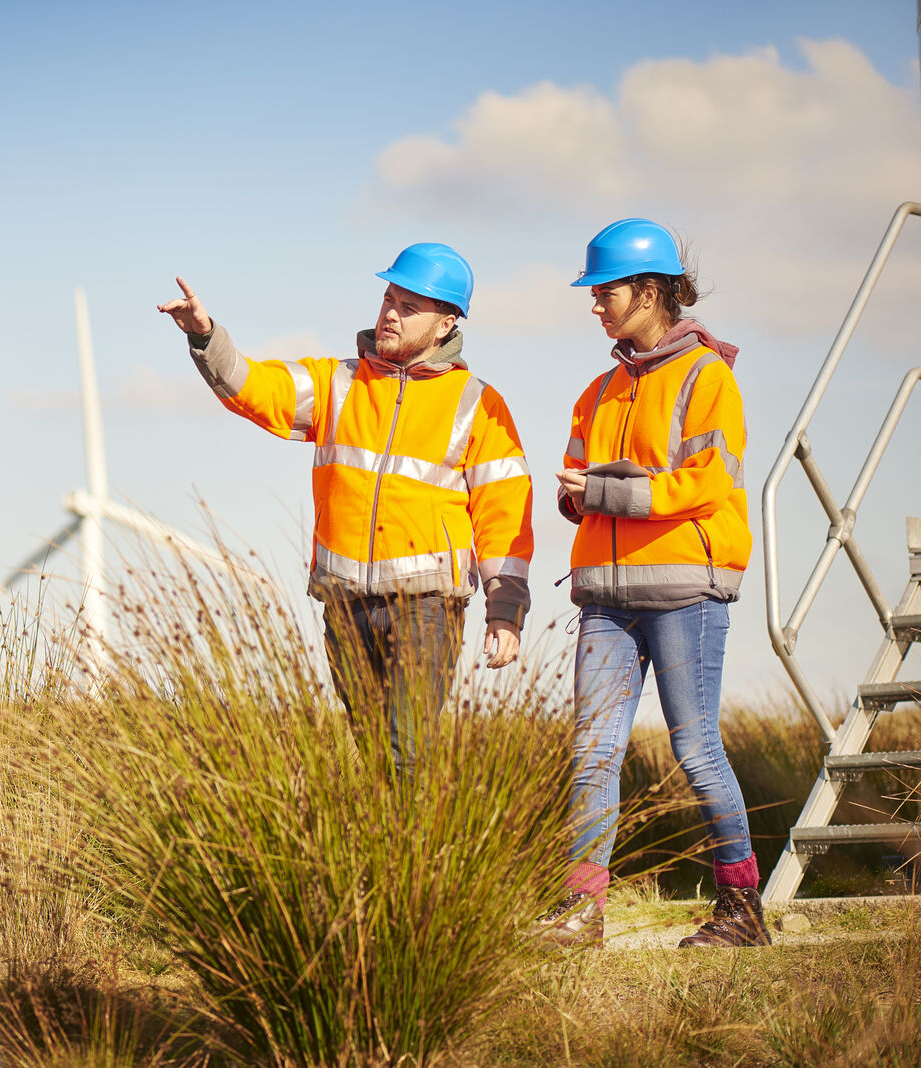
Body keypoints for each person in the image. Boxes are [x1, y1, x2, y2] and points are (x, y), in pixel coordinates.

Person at [157, 244, 533, 771]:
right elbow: (253, 386)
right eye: (388, 299)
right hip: (345, 603)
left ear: (446, 324)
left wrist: (506, 608)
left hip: (425, 608)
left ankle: (415, 830)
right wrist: (205, 336)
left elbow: (504, 510)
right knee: (376, 755)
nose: (390, 314)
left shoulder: (477, 403)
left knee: (405, 755)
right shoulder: (336, 382)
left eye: (409, 306)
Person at [537, 218, 768, 949]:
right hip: (605, 599)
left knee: (695, 750)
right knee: (591, 753)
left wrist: (606, 493)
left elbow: (708, 483)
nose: (595, 304)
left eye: (604, 291)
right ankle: (581, 912)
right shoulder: (597, 390)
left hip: (685, 592)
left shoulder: (708, 377)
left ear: (648, 291)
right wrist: (576, 496)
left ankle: (741, 909)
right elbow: (582, 483)